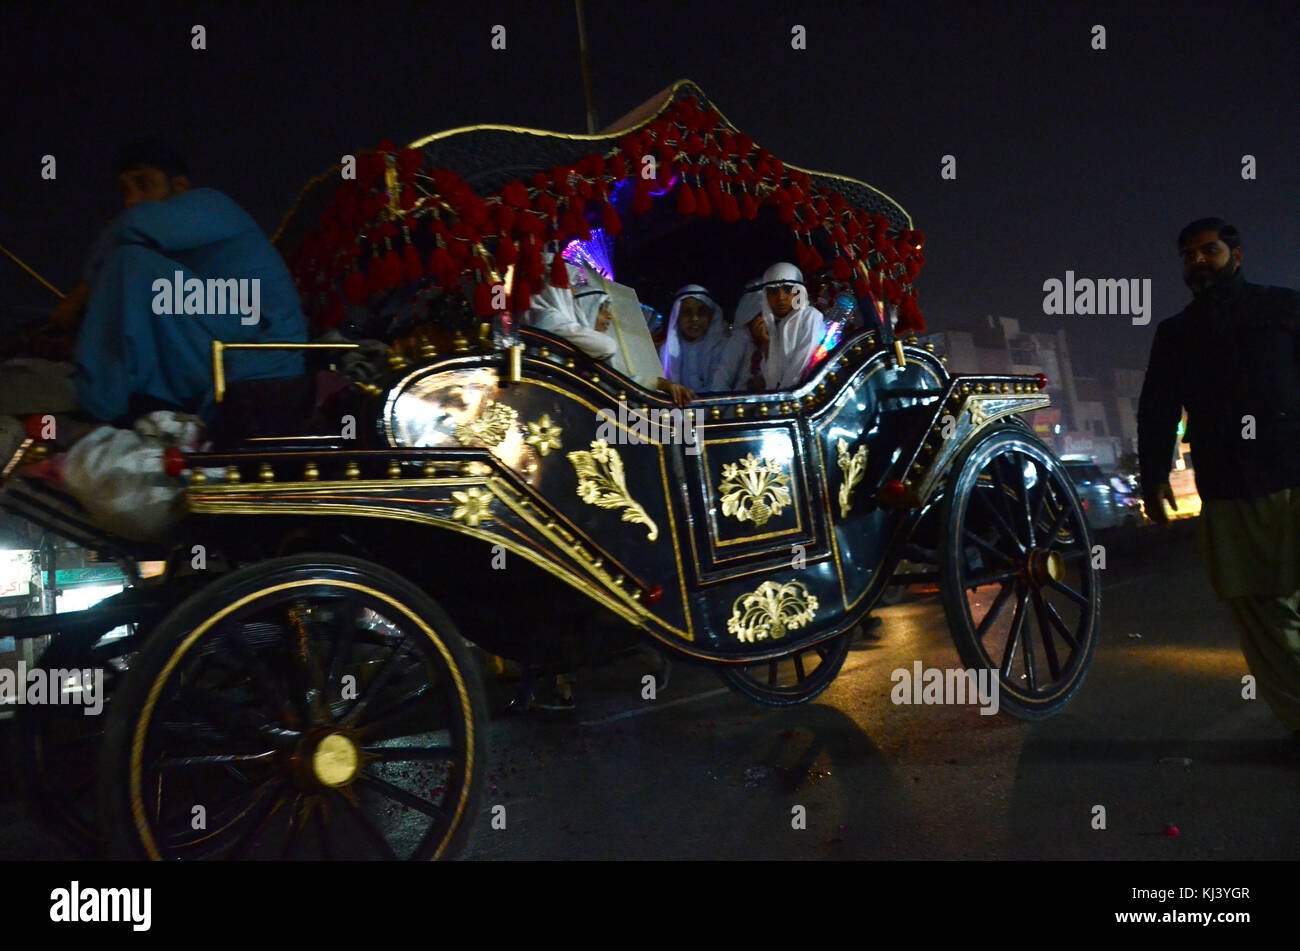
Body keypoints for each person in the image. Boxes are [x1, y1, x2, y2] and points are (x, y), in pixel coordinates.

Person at [1138, 217, 1300, 734]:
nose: (1198, 262)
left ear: (1237, 254)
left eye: (1209, 250)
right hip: (1231, 489)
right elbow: (1158, 410)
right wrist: (1153, 476)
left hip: (1294, 471)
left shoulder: (1285, 308)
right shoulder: (1177, 334)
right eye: (1189, 256)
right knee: (1259, 609)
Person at [61, 138, 308, 427]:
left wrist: (81, 292)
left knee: (132, 264)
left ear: (179, 186)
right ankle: (123, 392)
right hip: (229, 331)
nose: (131, 200)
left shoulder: (210, 204)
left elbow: (132, 224)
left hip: (262, 342)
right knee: (135, 278)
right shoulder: (172, 248)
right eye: (125, 190)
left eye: (144, 184)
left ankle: (100, 402)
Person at [527, 258, 694, 407]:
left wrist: (667, 386)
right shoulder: (548, 317)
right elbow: (607, 347)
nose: (609, 317)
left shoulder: (583, 345)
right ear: (586, 309)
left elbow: (625, 381)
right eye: (602, 309)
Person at [755, 262, 826, 391]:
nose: (781, 298)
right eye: (773, 292)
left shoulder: (811, 317)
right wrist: (766, 344)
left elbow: (800, 369)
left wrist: (781, 402)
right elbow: (772, 380)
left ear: (798, 292)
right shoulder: (775, 326)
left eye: (788, 289)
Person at [659, 285, 728, 394]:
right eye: (687, 312)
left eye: (701, 313)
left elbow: (721, 388)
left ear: (710, 316)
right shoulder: (666, 351)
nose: (694, 318)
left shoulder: (725, 347)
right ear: (677, 316)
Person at [710, 277, 765, 392]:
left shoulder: (778, 336)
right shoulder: (741, 337)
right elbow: (721, 381)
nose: (763, 321)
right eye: (758, 315)